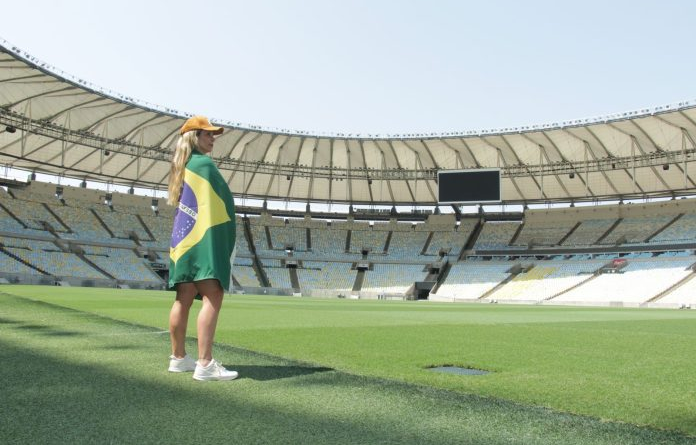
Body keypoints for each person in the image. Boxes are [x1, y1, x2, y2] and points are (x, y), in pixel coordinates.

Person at [166, 115, 238, 381]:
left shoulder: (183, 166)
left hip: (183, 241)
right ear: (194, 137)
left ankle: (178, 358)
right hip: (203, 239)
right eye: (208, 134)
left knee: (182, 299)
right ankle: (205, 364)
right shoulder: (205, 164)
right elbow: (223, 204)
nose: (213, 139)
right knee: (213, 296)